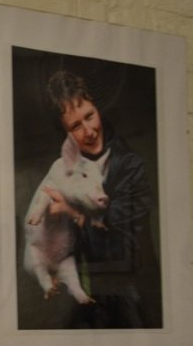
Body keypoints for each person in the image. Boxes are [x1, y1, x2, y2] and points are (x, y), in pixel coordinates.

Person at [40, 70, 162, 328]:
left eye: (90, 116)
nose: (89, 131)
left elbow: (123, 246)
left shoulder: (128, 165)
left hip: (134, 298)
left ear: (97, 107)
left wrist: (72, 213)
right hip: (90, 299)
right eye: (76, 126)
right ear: (65, 135)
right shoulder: (65, 171)